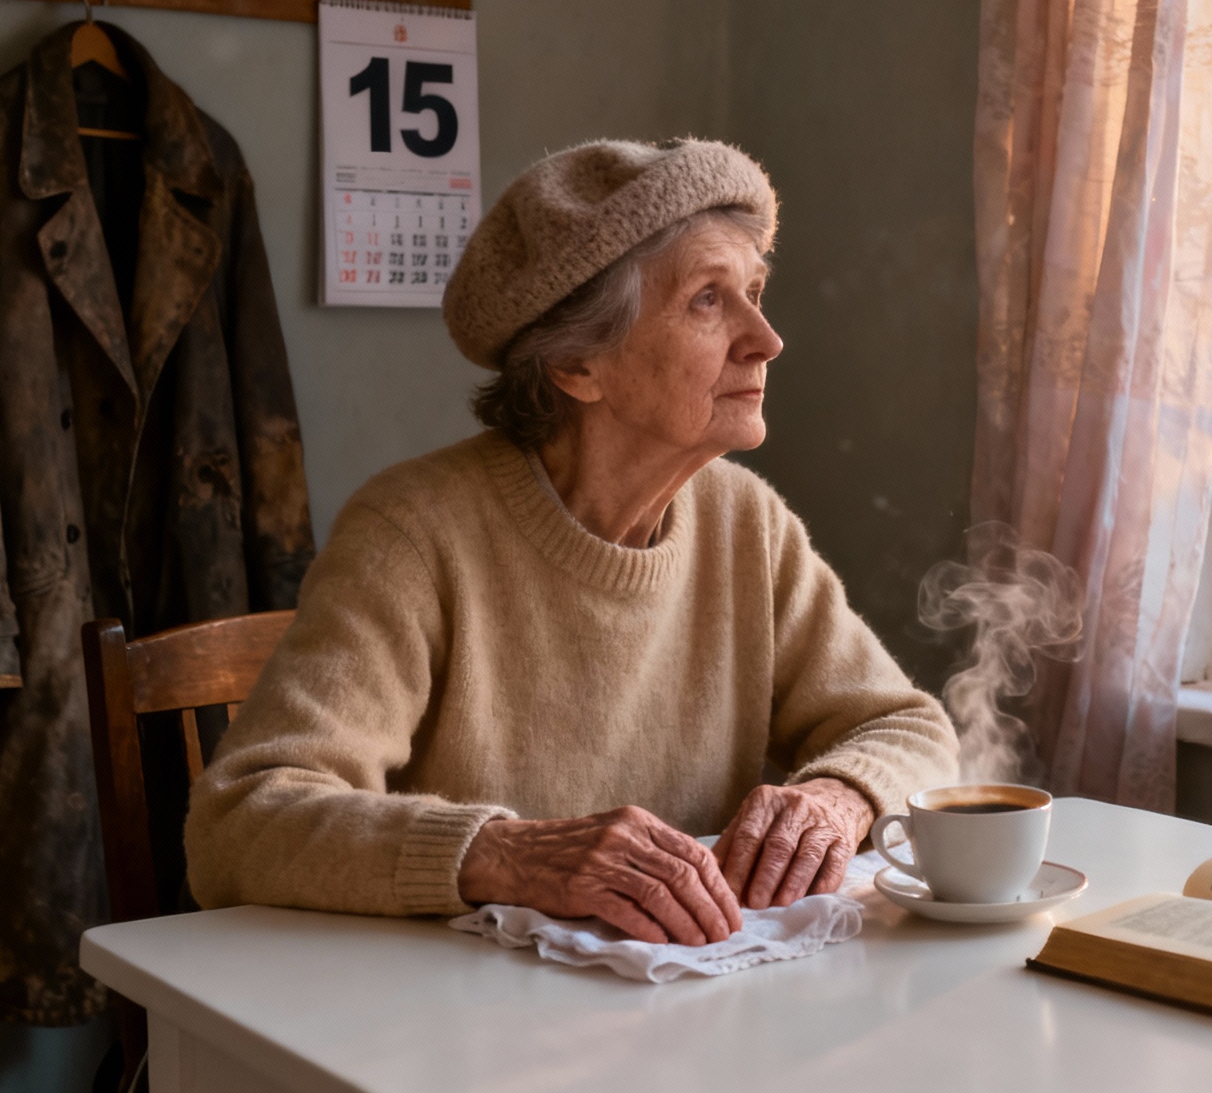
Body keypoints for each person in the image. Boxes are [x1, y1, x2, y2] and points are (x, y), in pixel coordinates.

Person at [186, 139, 959, 945]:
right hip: (451, 1025)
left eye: (756, 292)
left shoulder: (746, 523)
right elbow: (240, 823)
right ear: (578, 364)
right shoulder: (413, 532)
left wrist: (836, 797)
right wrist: (508, 854)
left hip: (686, 1011)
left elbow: (910, 730)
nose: (766, 339)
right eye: (707, 300)